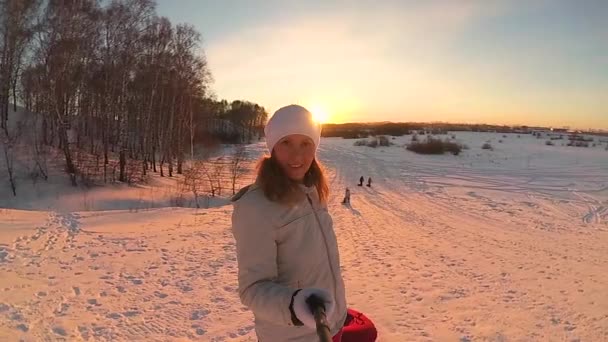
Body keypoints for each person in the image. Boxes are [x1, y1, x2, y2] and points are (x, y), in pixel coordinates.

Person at [231, 104, 347, 342]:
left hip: (330, 327)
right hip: (292, 337)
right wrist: (295, 306)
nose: (297, 156)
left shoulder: (313, 191)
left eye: (305, 144)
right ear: (272, 148)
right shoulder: (256, 206)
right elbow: (252, 288)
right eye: (286, 143)